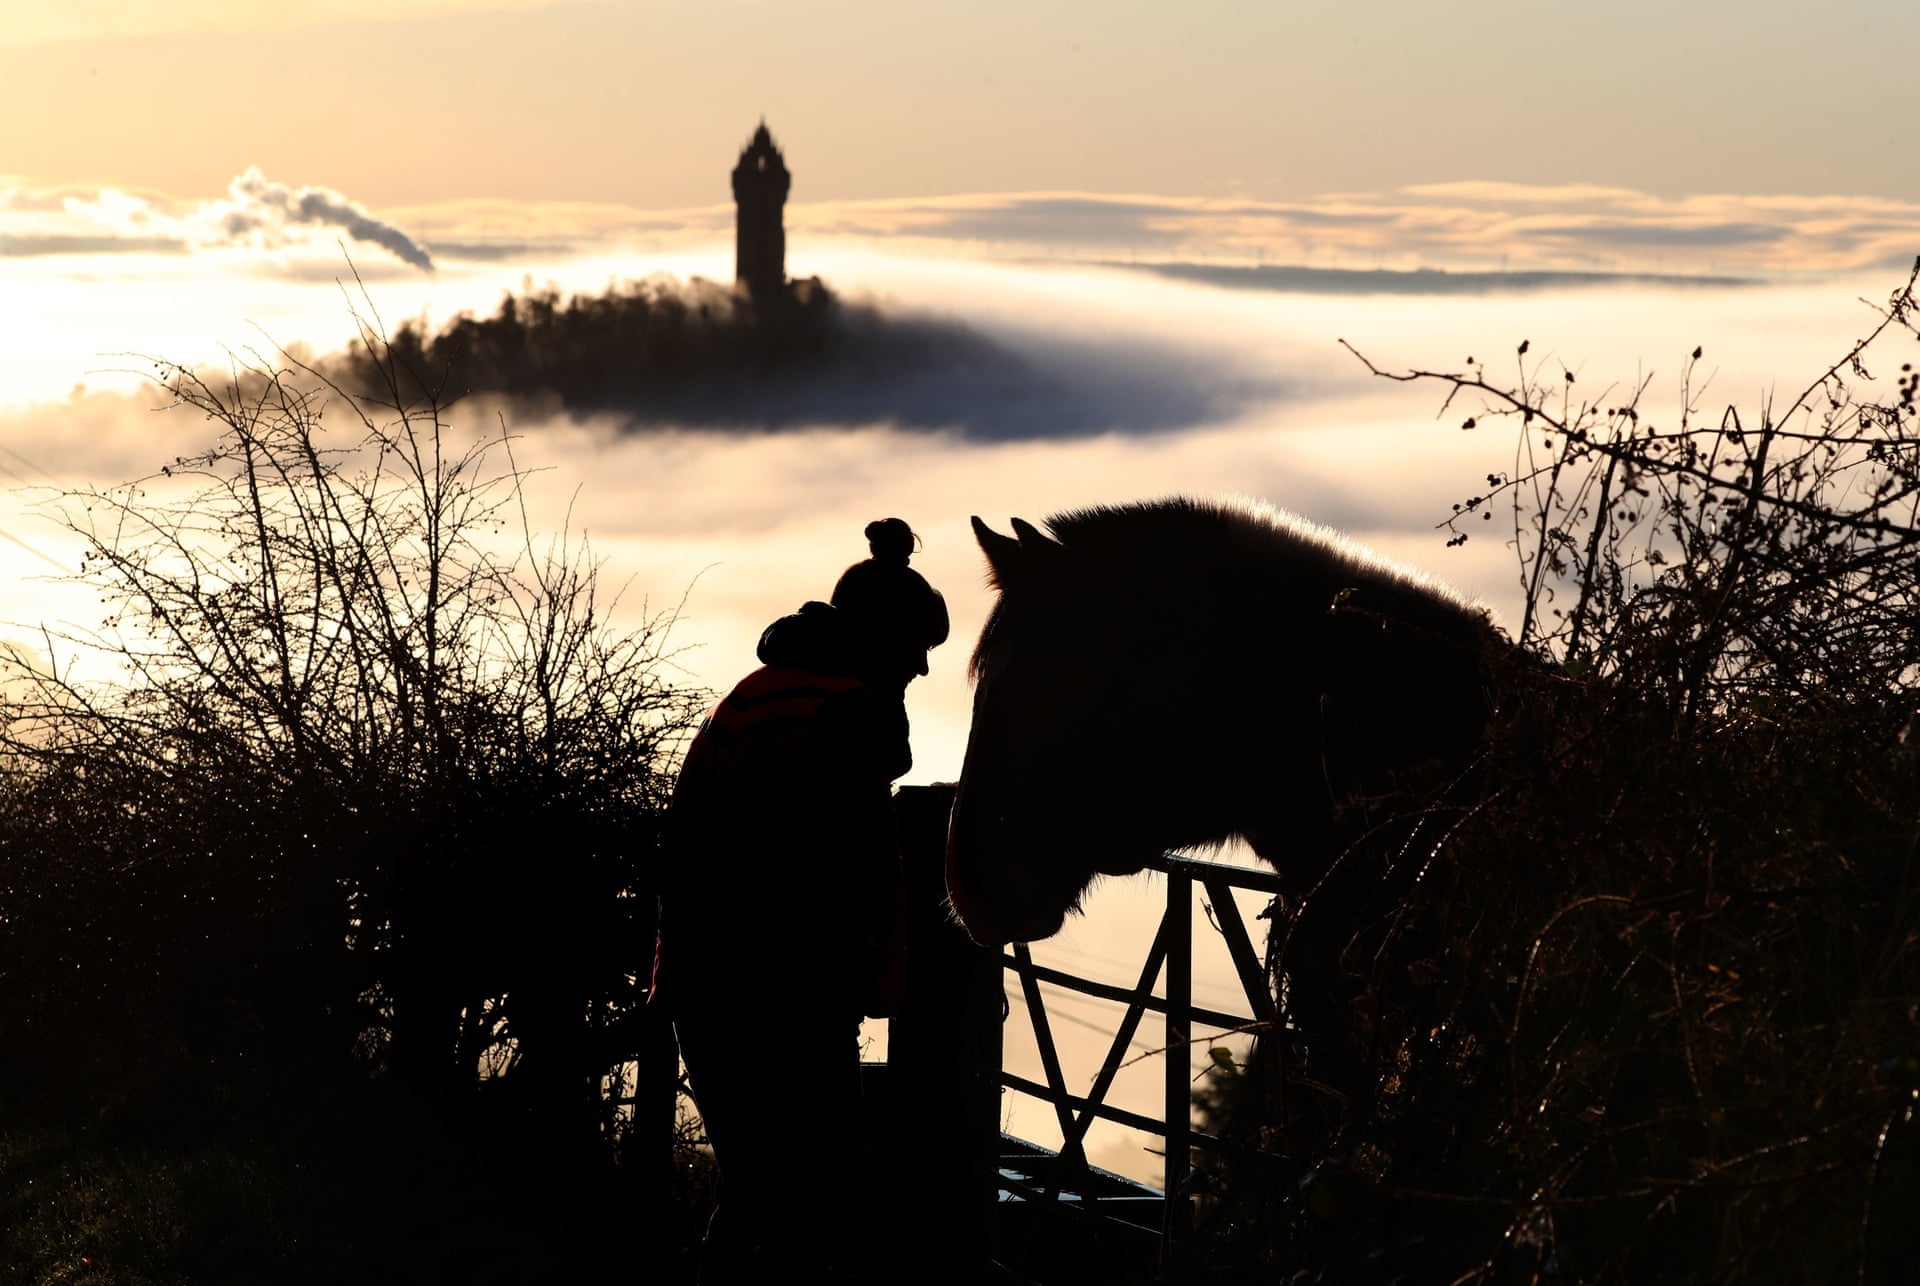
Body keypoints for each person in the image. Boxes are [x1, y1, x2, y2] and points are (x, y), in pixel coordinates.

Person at [653, 518, 948, 1284]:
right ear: (884, 643)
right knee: (810, 1201)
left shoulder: (747, 699)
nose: (921, 668)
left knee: (756, 1188)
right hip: (786, 994)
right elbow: (855, 861)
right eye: (916, 650)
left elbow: (684, 847)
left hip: (707, 988)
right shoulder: (845, 713)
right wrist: (881, 965)